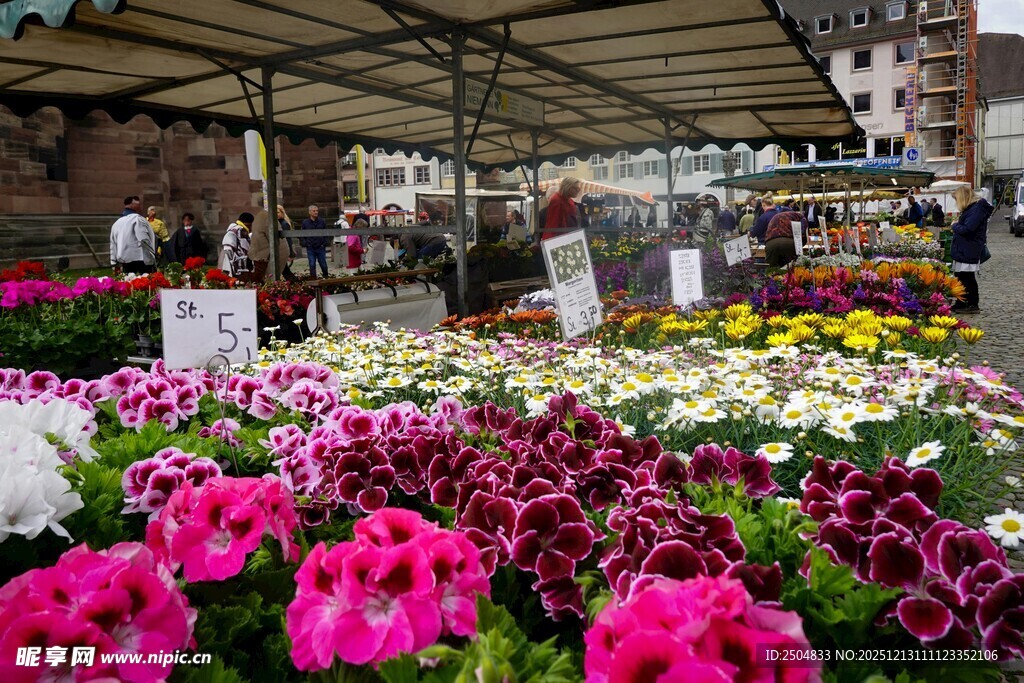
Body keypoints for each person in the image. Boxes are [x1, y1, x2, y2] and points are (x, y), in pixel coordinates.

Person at [950, 186, 992, 313]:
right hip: (964, 247)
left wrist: (955, 226)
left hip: (969, 248)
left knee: (967, 277)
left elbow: (968, 229)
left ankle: (972, 304)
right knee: (960, 277)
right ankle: (961, 301)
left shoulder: (977, 208)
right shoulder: (972, 208)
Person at [110, 195, 156, 273]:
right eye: (139, 204)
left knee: (128, 282)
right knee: (146, 282)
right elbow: (144, 240)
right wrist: (152, 258)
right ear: (133, 205)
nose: (141, 207)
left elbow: (113, 244)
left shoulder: (117, 223)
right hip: (141, 260)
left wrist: (113, 263)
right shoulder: (138, 219)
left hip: (124, 260)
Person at [248, 209, 290, 282]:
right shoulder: (263, 220)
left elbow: (259, 243)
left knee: (269, 278)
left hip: (267, 256)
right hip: (270, 255)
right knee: (270, 277)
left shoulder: (262, 221)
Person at [221, 212, 254, 278]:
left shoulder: (237, 231)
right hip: (237, 268)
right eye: (251, 225)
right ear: (248, 224)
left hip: (238, 266)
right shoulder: (239, 231)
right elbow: (229, 252)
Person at [300, 204, 330, 278]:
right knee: (312, 264)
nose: (316, 212)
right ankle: (313, 279)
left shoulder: (322, 221)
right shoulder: (305, 222)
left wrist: (325, 243)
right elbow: (302, 233)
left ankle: (326, 277)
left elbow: (326, 232)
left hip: (320, 246)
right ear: (310, 212)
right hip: (310, 247)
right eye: (314, 211)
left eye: (317, 211)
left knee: (323, 264)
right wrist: (305, 243)